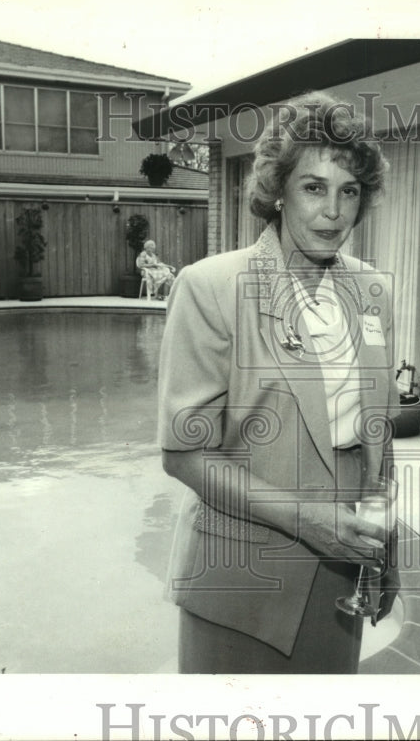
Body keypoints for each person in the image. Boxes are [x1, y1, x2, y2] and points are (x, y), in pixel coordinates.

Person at [157, 92, 400, 673]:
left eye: (349, 191)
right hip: (241, 580)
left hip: (342, 573)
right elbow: (184, 455)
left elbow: (377, 434)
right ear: (278, 191)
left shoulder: (371, 289)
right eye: (314, 187)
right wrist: (309, 520)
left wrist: (382, 553)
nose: (334, 211)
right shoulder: (211, 286)